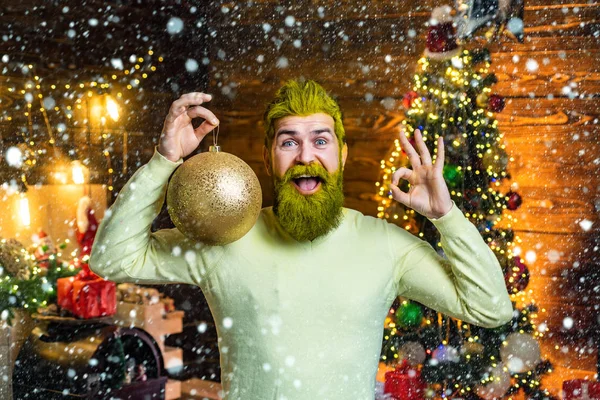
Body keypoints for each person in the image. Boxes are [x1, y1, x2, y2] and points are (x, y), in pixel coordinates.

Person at [89, 79, 513, 400]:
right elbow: (113, 258)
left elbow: (490, 308)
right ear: (268, 158)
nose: (305, 157)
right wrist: (164, 162)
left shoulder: (386, 246)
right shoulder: (226, 238)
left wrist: (447, 217)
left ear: (341, 157)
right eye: (289, 142)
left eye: (320, 141)